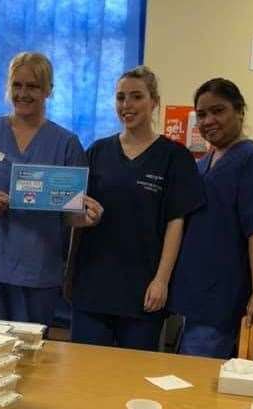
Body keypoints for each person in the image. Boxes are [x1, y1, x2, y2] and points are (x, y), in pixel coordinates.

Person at [0, 52, 102, 327]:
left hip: (38, 267)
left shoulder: (66, 144)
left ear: (48, 90)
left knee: (29, 352)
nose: (23, 93)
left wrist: (85, 218)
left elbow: (70, 213)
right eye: (17, 85)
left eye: (33, 86)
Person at [68, 66, 203, 351]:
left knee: (134, 377)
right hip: (93, 283)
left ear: (154, 102)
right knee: (85, 374)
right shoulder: (97, 152)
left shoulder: (174, 157)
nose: (127, 105)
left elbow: (175, 222)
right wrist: (81, 219)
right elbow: (74, 214)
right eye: (120, 98)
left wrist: (161, 281)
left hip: (142, 288)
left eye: (136, 97)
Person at [168, 78, 253, 358]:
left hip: (223, 295)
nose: (208, 120)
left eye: (218, 111)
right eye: (202, 114)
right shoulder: (203, 162)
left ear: (239, 111)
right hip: (197, 293)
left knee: (195, 379)